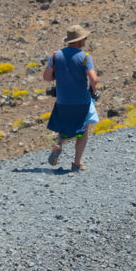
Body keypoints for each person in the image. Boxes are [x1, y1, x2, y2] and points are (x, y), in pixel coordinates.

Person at [43, 25, 100, 171]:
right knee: (83, 131)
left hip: (62, 101)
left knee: (64, 127)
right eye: (83, 38)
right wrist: (95, 90)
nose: (86, 40)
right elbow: (94, 80)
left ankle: (59, 144)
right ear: (79, 40)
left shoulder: (56, 55)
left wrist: (61, 74)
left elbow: (47, 77)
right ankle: (77, 163)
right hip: (82, 101)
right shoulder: (85, 57)